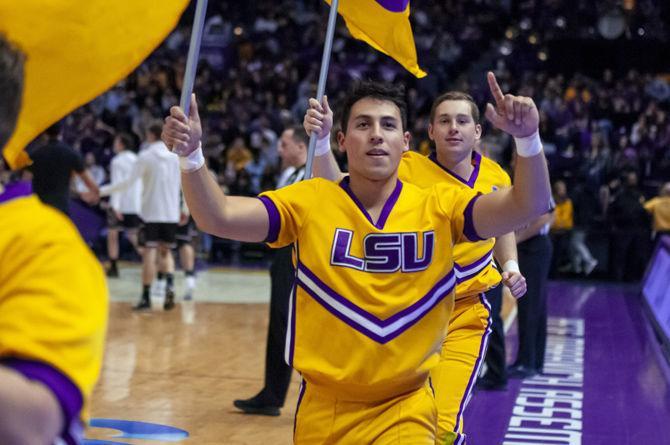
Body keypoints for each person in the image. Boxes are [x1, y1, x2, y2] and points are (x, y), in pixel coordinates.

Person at [163, 74, 550, 444]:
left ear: (406, 142)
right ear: (343, 140)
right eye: (364, 125)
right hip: (324, 406)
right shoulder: (310, 201)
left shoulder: (442, 207)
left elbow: (526, 205)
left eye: (388, 125)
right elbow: (218, 217)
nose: (377, 134)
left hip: (406, 405)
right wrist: (192, 156)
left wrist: (528, 140)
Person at [304, 90, 527, 442]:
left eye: (462, 120)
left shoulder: (496, 175)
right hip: (410, 313)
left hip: (464, 314)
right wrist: (319, 146)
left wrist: (510, 264)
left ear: (478, 132)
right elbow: (339, 192)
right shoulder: (405, 167)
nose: (453, 128)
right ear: (430, 132)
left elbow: (503, 225)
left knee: (441, 422)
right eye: (444, 121)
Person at [0, 33, 108, 445]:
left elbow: (31, 424)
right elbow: (86, 183)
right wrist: (94, 195)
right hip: (53, 211)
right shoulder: (68, 156)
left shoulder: (37, 159)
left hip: (35, 216)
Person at [234, 125, 308, 416]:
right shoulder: (288, 175)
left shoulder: (312, 175)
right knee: (279, 322)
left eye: (284, 144)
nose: (279, 149)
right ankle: (272, 393)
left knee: (296, 326)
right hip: (280, 258)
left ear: (302, 147)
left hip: (299, 259)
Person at [100, 123, 181, 310]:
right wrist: (184, 209)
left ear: (151, 135)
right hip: (171, 212)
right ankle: (169, 285)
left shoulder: (145, 157)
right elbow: (185, 185)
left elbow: (126, 184)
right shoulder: (176, 157)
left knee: (149, 254)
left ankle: (146, 297)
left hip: (151, 212)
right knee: (166, 251)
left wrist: (100, 191)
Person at [508, 209, 555, 378]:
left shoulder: (539, 186)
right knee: (535, 306)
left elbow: (546, 217)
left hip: (534, 247)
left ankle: (527, 362)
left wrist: (515, 239)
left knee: (530, 305)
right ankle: (533, 361)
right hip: (532, 247)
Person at [29, 121, 100, 214]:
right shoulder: (71, 154)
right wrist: (94, 194)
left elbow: (26, 181)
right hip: (60, 208)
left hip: (38, 206)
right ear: (61, 132)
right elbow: (90, 184)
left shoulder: (36, 154)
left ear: (44, 134)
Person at [106, 132, 142, 278]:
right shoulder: (138, 159)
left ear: (121, 144)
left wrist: (115, 206)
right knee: (134, 237)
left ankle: (113, 267)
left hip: (119, 204)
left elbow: (117, 185)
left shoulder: (117, 161)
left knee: (112, 235)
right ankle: (152, 262)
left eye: (116, 141)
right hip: (135, 204)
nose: (114, 144)